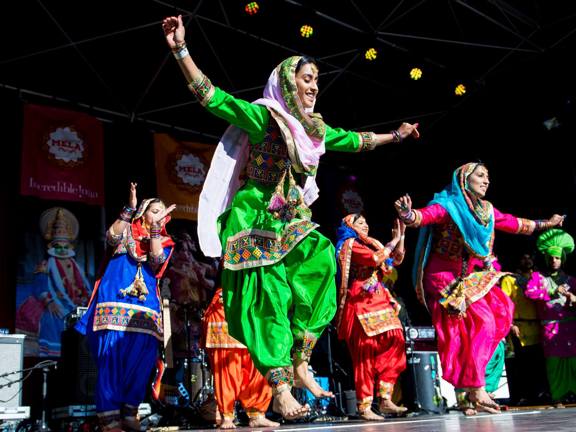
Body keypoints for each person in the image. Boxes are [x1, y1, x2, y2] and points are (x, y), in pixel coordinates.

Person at [162, 15, 420, 420]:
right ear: (287, 82)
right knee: (269, 298)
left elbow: (355, 140)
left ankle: (299, 361)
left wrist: (397, 136)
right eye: (307, 78)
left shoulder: (313, 131)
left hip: (289, 220)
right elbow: (211, 97)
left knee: (319, 262)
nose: (314, 86)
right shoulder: (265, 117)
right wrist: (180, 49)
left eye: (317, 79)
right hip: (253, 220)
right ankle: (280, 388)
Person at [394, 162, 564, 413]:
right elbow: (423, 217)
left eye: (488, 177)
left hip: (467, 279)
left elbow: (515, 223)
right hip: (442, 278)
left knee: (501, 310)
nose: (486, 181)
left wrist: (546, 224)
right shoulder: (448, 206)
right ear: (464, 180)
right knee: (479, 324)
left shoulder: (487, 211)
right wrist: (408, 214)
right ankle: (476, 390)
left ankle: (472, 392)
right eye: (480, 176)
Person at [75, 183, 176, 432]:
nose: (159, 215)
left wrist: (154, 230)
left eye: (163, 212)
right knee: (111, 358)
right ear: (142, 211)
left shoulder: (164, 240)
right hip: (114, 303)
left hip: (144, 309)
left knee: (142, 361)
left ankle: (130, 411)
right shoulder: (127, 230)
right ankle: (108, 418)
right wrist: (128, 210)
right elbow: (111, 236)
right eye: (154, 210)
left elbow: (155, 260)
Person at [335, 215, 407, 420]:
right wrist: (391, 243)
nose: (365, 225)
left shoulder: (371, 244)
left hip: (379, 299)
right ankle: (365, 406)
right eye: (360, 223)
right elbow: (375, 259)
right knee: (365, 355)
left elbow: (393, 261)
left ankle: (385, 398)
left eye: (367, 222)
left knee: (396, 339)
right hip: (360, 302)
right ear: (349, 226)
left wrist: (401, 237)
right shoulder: (349, 245)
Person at [16, 207, 91, 357]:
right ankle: (53, 356)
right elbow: (39, 285)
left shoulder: (76, 267)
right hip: (52, 301)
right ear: (51, 247)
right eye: (58, 247)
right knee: (52, 318)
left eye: (65, 247)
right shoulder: (46, 264)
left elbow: (83, 288)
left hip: (75, 303)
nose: (62, 250)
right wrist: (49, 302)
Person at [203, 287, 280, 429]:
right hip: (226, 303)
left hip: (256, 302)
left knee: (258, 365)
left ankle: (257, 414)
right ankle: (226, 415)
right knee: (227, 368)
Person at [525, 229, 576, 406]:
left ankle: (573, 393)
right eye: (552, 258)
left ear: (563, 259)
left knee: (574, 362)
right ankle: (558, 397)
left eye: (557, 257)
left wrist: (574, 299)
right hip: (550, 327)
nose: (554, 261)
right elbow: (530, 293)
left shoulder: (571, 280)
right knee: (554, 364)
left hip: (570, 329)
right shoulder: (538, 278)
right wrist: (553, 290)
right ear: (547, 259)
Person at [500, 252, 549, 405]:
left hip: (538, 327)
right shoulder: (509, 279)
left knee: (538, 363)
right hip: (519, 328)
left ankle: (539, 394)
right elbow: (504, 304)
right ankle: (521, 396)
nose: (527, 260)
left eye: (530, 257)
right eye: (523, 257)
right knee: (520, 364)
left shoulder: (539, 278)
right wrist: (510, 324)